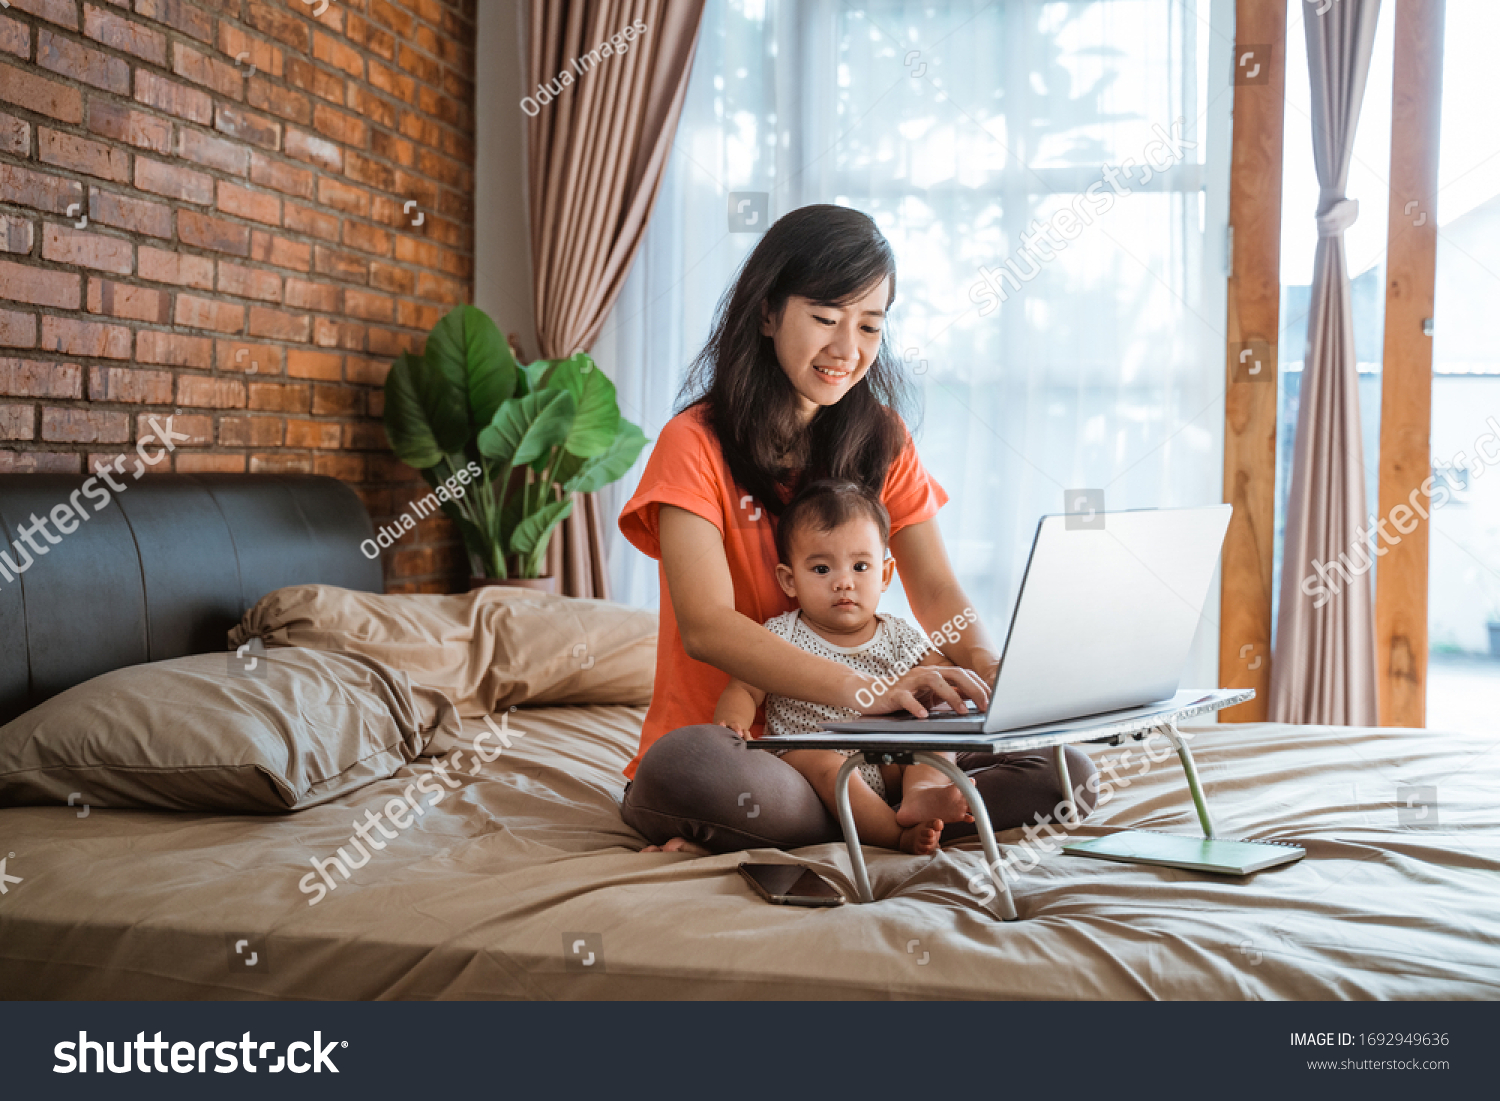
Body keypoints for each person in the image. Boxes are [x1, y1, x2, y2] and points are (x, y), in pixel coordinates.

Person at [618, 203, 1097, 855]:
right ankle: (867, 817)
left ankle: (866, 815)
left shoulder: (883, 437)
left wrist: (993, 673)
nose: (848, 350)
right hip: (749, 755)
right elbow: (706, 625)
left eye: (870, 324)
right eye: (824, 318)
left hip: (875, 760)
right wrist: (873, 691)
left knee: (1065, 772)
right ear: (766, 311)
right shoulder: (692, 442)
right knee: (687, 768)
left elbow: (935, 592)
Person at [714, 480, 977, 856]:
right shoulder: (780, 633)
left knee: (934, 737)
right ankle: (894, 835)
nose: (843, 582)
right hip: (809, 760)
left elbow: (944, 673)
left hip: (887, 761)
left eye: (860, 566)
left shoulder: (898, 635)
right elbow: (744, 687)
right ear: (790, 580)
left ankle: (920, 796)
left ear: (884, 576)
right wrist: (733, 727)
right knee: (826, 763)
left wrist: (964, 687)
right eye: (821, 569)